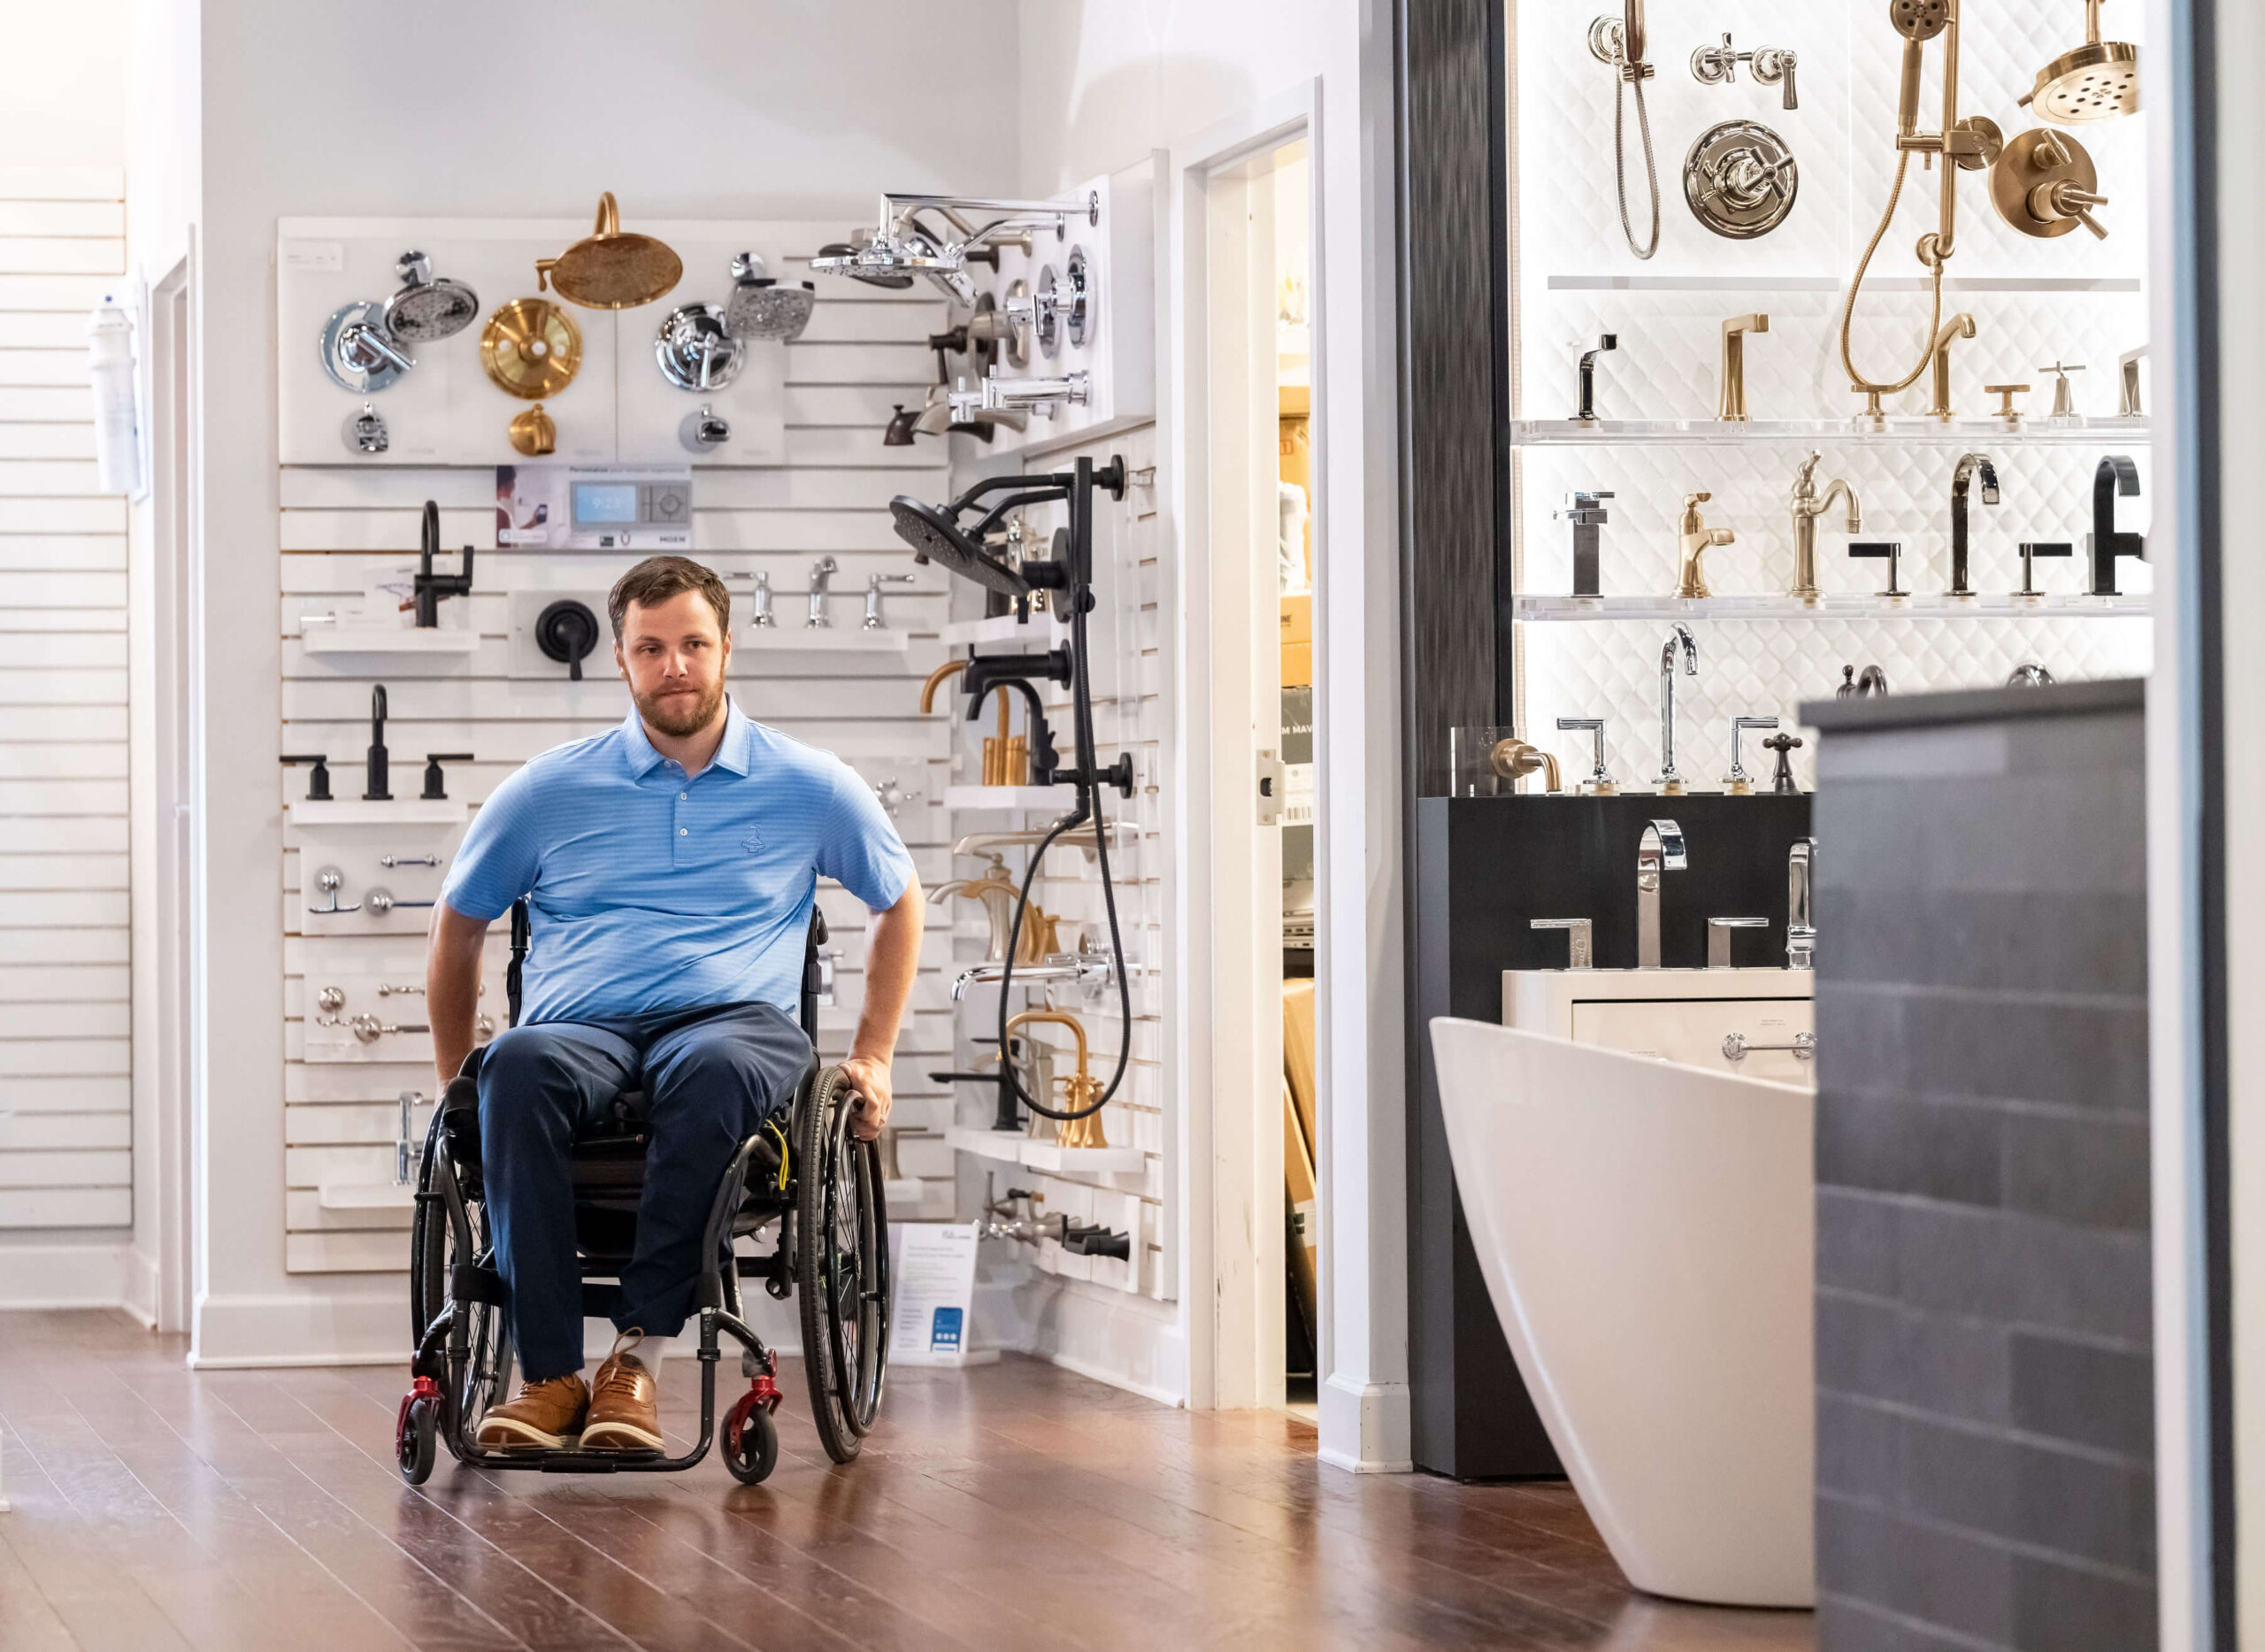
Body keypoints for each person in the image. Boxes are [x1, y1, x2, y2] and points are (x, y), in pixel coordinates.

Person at [425, 555, 924, 1451]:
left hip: (735, 1024)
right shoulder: (547, 789)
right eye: (651, 648)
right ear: (621, 660)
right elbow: (456, 923)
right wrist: (455, 1075)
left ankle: (636, 1361)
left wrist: (875, 1053)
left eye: (693, 644)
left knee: (716, 1068)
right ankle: (547, 1377)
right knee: (515, 1067)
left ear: (726, 648)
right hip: (581, 1030)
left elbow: (900, 899)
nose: (675, 666)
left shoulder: (809, 783)